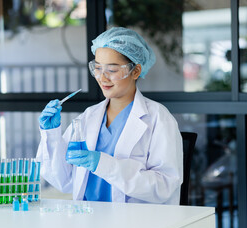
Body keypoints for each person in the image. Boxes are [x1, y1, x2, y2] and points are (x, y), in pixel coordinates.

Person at [36, 27, 183, 204]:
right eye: (97, 68)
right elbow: (63, 181)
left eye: (112, 70)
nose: (102, 78)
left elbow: (164, 187)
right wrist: (51, 134)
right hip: (86, 219)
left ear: (135, 71)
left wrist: (104, 164)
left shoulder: (158, 118)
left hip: (135, 224)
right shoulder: (88, 117)